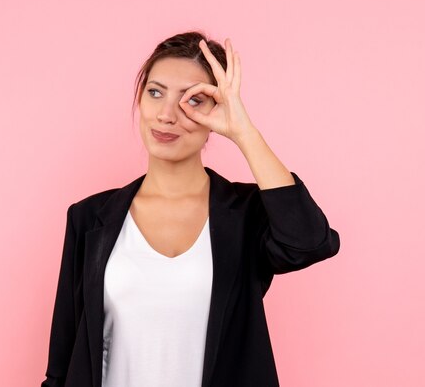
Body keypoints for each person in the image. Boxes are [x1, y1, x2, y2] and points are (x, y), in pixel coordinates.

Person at [40, 31, 340, 387]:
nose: (167, 115)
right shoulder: (89, 218)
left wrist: (243, 131)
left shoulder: (245, 215)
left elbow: (308, 243)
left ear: (218, 110)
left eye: (193, 100)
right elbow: (63, 359)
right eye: (155, 93)